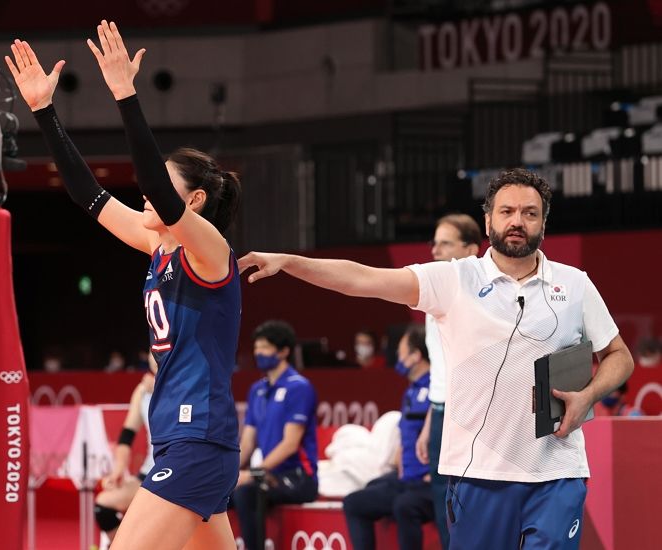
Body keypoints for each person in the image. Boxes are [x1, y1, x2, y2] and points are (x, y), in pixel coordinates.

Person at [238, 168, 634, 549]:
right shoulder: (453, 280)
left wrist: (589, 395)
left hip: (556, 473)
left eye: (530, 213)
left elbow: (618, 356)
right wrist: (290, 262)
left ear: (544, 222)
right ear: (488, 219)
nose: (518, 221)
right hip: (477, 476)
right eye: (507, 211)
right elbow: (362, 278)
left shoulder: (575, 284)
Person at [6, 20, 242, 550]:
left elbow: (155, 185)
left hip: (196, 440)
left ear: (195, 203)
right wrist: (44, 112)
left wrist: (125, 95)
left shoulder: (207, 250)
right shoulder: (157, 245)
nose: (142, 193)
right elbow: (86, 193)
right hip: (186, 442)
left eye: (159, 185)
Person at [414, 213, 481, 550]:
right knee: (444, 500)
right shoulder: (432, 296)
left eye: (445, 243)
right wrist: (431, 418)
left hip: (472, 412)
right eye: (434, 243)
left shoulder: (483, 297)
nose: (435, 250)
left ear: (470, 249)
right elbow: (441, 369)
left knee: (475, 499)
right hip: (442, 412)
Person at [343, 324, 434, 550]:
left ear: (416, 356)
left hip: (431, 482)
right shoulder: (411, 391)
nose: (397, 358)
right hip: (407, 479)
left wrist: (436, 474)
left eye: (401, 353)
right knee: (355, 502)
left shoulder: (437, 389)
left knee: (404, 506)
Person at [233, 320, 318, 550]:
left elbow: (290, 444)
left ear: (284, 351)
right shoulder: (257, 390)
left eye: (265, 347)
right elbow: (248, 441)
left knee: (246, 495)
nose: (258, 352)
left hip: (298, 477)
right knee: (217, 492)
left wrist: (252, 473)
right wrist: (228, 474)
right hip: (267, 475)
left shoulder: (299, 387)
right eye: (256, 347)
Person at [94, 357, 157, 544]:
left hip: (175, 473)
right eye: (151, 351)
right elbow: (126, 435)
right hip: (148, 473)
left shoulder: (184, 386)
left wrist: (163, 390)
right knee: (103, 506)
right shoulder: (142, 391)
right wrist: (119, 468)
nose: (155, 356)